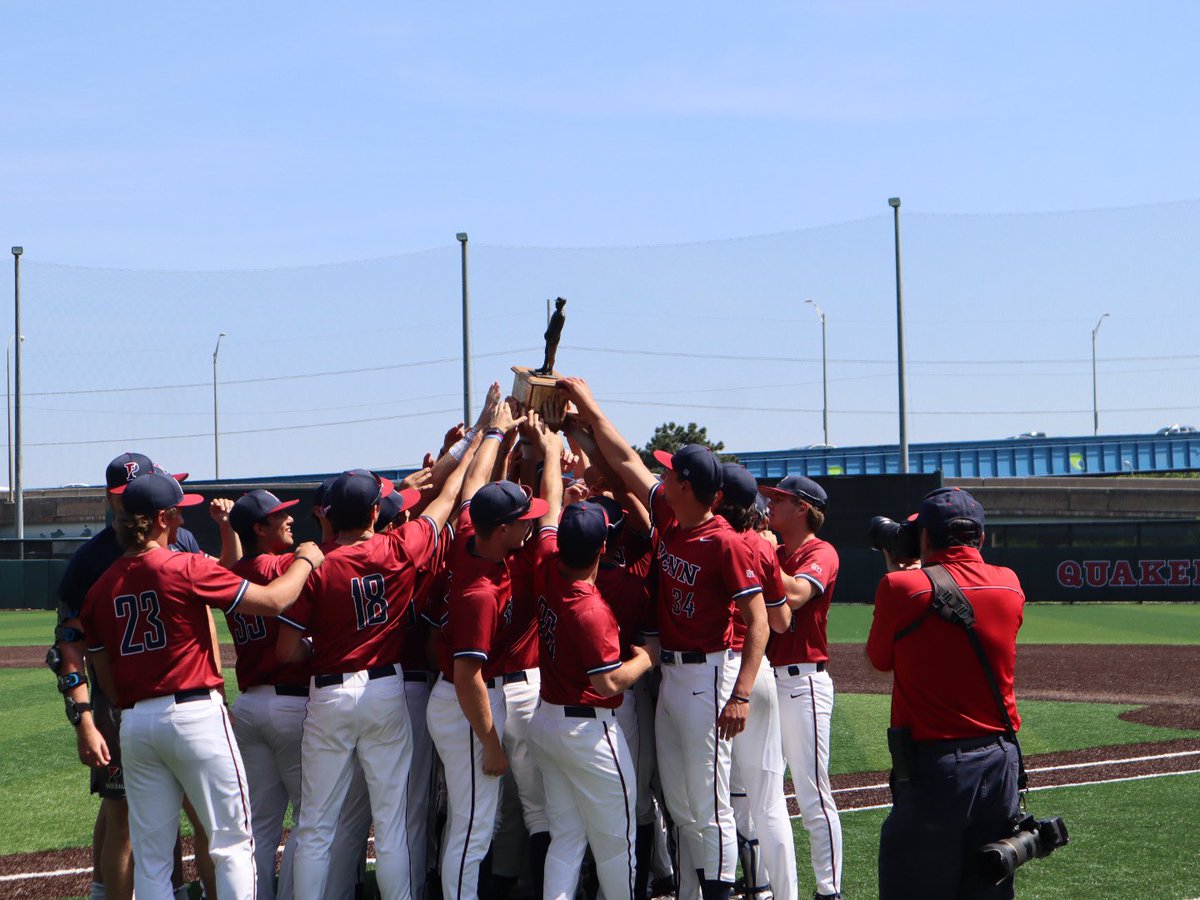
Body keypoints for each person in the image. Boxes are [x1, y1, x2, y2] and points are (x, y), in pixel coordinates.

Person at [557, 377, 768, 900]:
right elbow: (623, 459)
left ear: (687, 486)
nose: (661, 475)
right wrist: (580, 424)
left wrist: (741, 693)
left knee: (709, 803)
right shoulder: (673, 516)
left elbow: (759, 622)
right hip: (672, 675)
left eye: (671, 471)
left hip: (708, 676)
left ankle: (720, 892)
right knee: (681, 804)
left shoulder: (726, 543)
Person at [78, 470, 324, 900]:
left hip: (135, 724)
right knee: (232, 843)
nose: (182, 520)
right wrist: (305, 560)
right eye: (177, 513)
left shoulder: (99, 589)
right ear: (160, 519)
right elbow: (273, 601)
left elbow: (106, 680)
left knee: (152, 857)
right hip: (194, 714)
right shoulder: (185, 566)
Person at [276, 458, 471, 900]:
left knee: (316, 826)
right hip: (385, 688)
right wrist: (480, 441)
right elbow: (445, 500)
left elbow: (286, 650)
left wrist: (317, 650)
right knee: (391, 823)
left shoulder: (317, 563)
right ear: (374, 512)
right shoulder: (397, 547)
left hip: (329, 692)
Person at [55, 452, 228, 900]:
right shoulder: (92, 559)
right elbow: (67, 649)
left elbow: (205, 619)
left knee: (192, 819)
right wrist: (85, 721)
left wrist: (217, 686)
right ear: (113, 497)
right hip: (126, 705)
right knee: (128, 822)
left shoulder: (179, 538)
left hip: (169, 698)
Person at [866, 487, 1025, 900]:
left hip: (936, 769)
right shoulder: (1010, 584)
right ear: (981, 537)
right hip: (1000, 763)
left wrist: (901, 570)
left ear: (925, 537)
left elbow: (878, 660)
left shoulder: (901, 588)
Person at [425, 396, 552, 900]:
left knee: (474, 821)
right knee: (473, 825)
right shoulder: (480, 591)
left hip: (465, 704)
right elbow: (467, 677)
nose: (530, 524)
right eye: (523, 520)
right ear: (503, 530)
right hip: (468, 708)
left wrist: (497, 433)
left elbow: (475, 484)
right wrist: (492, 742)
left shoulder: (468, 537)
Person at [527, 480, 655, 900]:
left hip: (547, 720)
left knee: (566, 839)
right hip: (588, 732)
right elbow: (608, 681)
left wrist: (557, 474)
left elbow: (547, 520)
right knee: (619, 845)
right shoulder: (590, 606)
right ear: (603, 548)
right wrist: (647, 658)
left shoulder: (547, 564)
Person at [713, 464, 797, 900]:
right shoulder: (761, 547)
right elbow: (781, 622)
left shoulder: (704, 538)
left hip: (714, 672)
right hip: (756, 670)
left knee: (716, 804)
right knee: (769, 801)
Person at [758, 475, 844, 900]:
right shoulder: (774, 551)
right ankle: (766, 886)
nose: (770, 504)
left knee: (811, 794)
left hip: (803, 682)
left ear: (803, 509)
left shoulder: (820, 552)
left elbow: (794, 595)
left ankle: (829, 891)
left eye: (780, 499)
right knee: (762, 794)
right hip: (765, 682)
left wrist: (759, 553)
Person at [225, 489, 308, 900]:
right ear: (259, 528)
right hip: (290, 704)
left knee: (259, 823)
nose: (289, 520)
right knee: (310, 817)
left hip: (250, 706)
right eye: (279, 516)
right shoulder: (283, 565)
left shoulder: (229, 575)